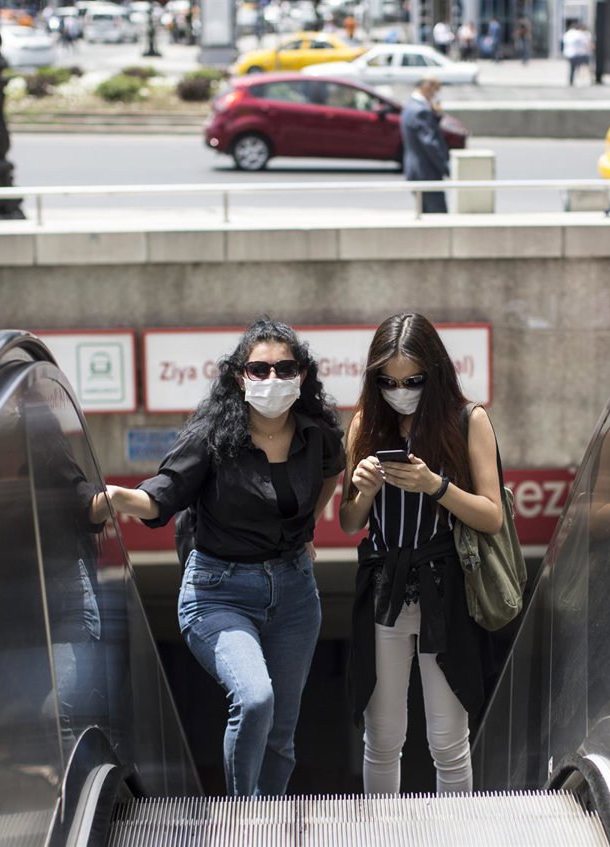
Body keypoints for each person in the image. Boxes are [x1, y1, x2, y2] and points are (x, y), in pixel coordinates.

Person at [99, 317, 345, 796]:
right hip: (219, 591)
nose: (272, 379)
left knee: (281, 733)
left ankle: (270, 819)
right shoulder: (211, 434)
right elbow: (163, 494)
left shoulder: (317, 433)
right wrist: (119, 497)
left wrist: (307, 529)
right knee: (255, 699)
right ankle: (244, 815)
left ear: (301, 375)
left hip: (295, 593)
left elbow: (333, 471)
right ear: (240, 377)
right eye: (260, 369)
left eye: (285, 369)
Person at [341, 312, 502, 794]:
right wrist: (364, 491)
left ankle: (454, 830)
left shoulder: (468, 420)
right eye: (388, 382)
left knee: (448, 742)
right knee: (382, 738)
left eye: (412, 380)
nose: (400, 391)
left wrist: (435, 485)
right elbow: (349, 521)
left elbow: (492, 515)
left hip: (445, 590)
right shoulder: (366, 423)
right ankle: (381, 828)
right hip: (383, 590)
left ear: (435, 373)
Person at [400, 76, 450, 215]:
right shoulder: (420, 111)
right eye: (435, 91)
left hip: (416, 171)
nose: (436, 95)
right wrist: (446, 167)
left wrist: (436, 115)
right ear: (427, 87)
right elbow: (430, 143)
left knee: (426, 216)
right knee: (438, 216)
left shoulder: (411, 105)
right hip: (426, 172)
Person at [562, 19, 592, 86]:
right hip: (578, 53)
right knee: (586, 66)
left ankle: (571, 80)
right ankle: (590, 79)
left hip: (569, 53)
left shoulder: (567, 34)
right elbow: (584, 43)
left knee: (572, 68)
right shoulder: (579, 34)